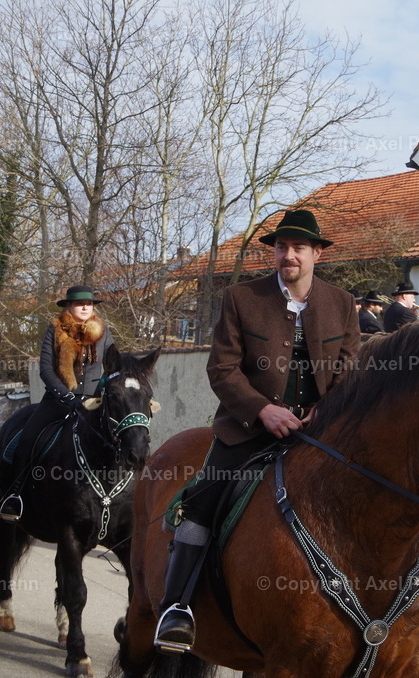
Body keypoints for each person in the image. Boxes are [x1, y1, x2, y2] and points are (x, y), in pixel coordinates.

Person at [153, 209, 360, 653]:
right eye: (281, 247)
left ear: (316, 254)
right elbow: (222, 369)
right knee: (202, 501)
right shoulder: (241, 298)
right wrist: (264, 410)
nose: (288, 255)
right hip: (247, 431)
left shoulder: (341, 303)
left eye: (298, 248)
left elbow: (348, 370)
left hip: (321, 433)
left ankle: (401, 612)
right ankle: (177, 608)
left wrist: (326, 412)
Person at [0, 285, 114, 521]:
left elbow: (113, 365)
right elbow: (45, 370)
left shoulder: (103, 333)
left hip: (93, 400)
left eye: (89, 304)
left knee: (119, 437)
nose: (84, 307)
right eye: (79, 303)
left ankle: (117, 498)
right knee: (27, 438)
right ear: (69, 307)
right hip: (59, 400)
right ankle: (15, 495)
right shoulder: (55, 330)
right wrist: (67, 396)